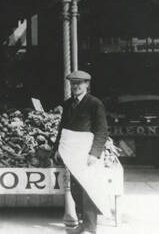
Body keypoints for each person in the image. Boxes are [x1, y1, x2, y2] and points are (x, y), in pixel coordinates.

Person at [53, 70, 109, 234]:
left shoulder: (95, 103)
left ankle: (91, 228)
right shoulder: (68, 103)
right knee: (76, 189)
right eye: (73, 83)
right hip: (70, 153)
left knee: (88, 189)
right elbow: (62, 129)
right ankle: (83, 223)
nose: (76, 86)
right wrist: (57, 149)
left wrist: (94, 153)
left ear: (86, 85)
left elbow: (102, 131)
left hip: (86, 153)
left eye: (79, 83)